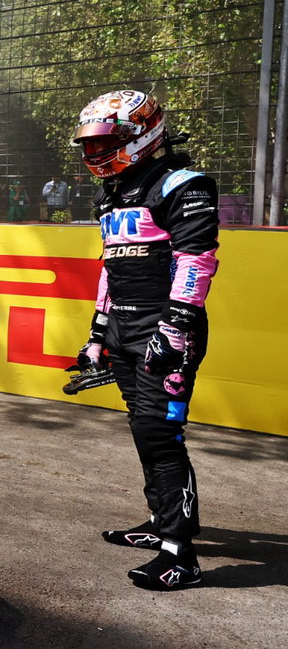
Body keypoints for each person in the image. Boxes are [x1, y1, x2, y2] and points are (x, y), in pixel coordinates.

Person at [68, 89, 219, 591]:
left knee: (161, 436)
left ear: (141, 134)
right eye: (89, 146)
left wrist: (172, 331)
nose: (95, 154)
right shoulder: (110, 191)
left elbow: (197, 262)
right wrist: (97, 334)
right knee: (143, 430)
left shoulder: (183, 183)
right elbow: (111, 266)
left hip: (165, 327)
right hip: (123, 328)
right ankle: (160, 524)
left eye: (104, 143)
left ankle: (182, 554)